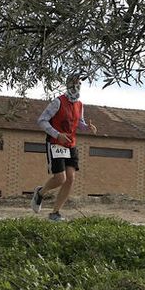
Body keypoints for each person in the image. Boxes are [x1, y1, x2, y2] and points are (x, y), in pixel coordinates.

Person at [30, 76, 93, 222]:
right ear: (68, 85)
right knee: (60, 178)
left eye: (79, 84)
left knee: (70, 179)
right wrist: (57, 135)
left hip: (70, 145)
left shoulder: (80, 105)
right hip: (55, 143)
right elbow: (41, 120)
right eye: (74, 84)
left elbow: (79, 123)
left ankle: (55, 213)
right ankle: (40, 193)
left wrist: (87, 127)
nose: (76, 87)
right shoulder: (57, 102)